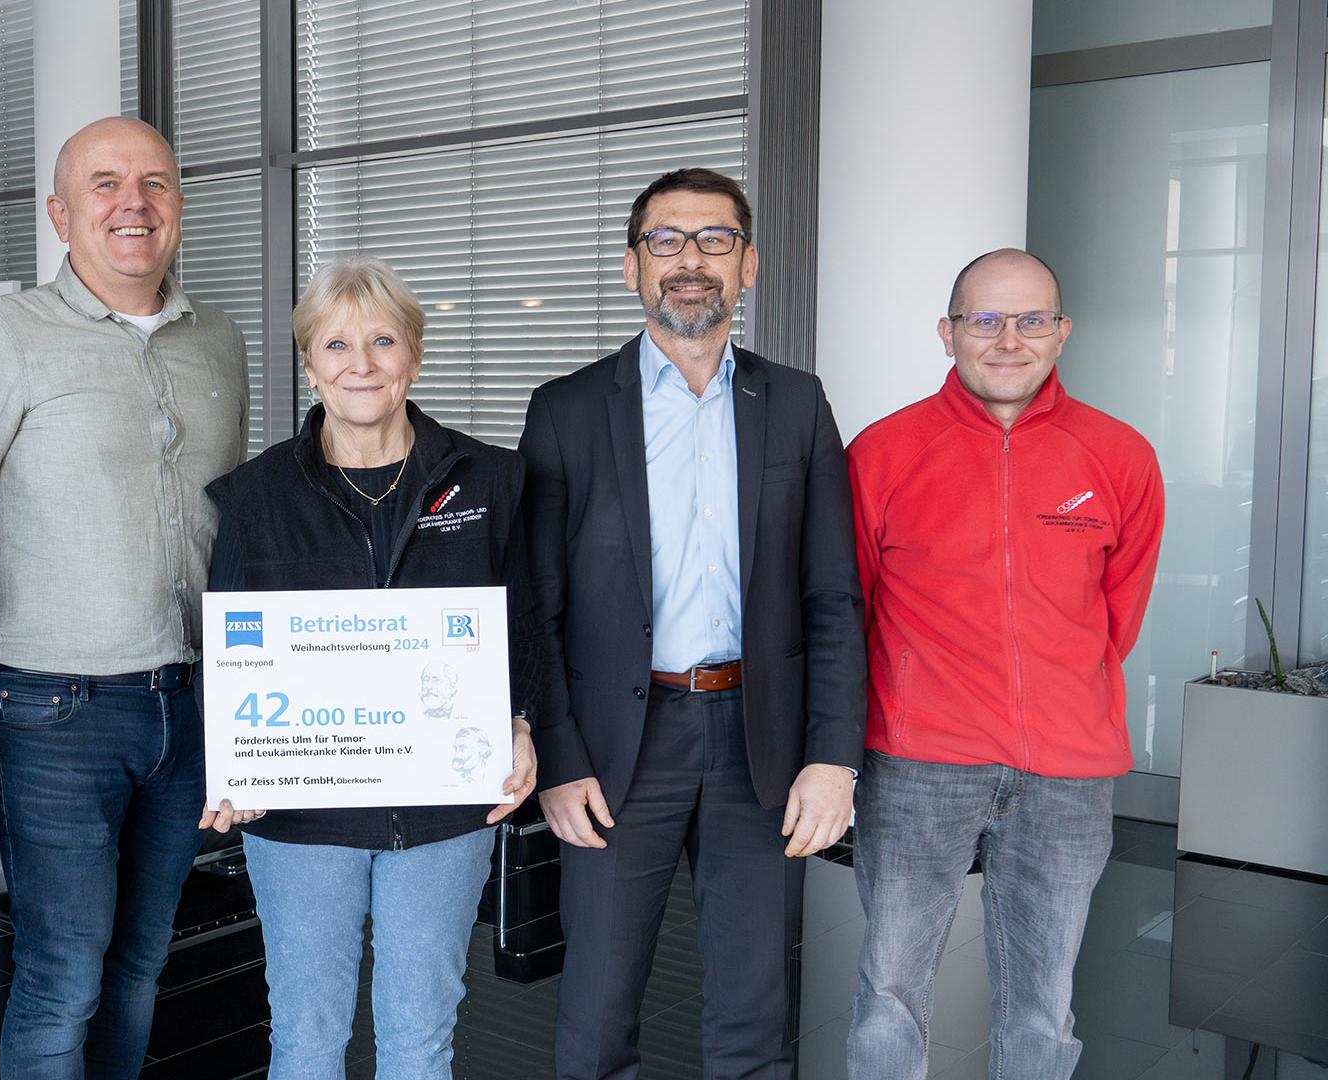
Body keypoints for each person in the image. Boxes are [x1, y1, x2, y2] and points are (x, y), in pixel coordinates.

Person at [520, 167, 866, 1079]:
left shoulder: (796, 403)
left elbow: (834, 594)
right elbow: (537, 605)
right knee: (596, 1004)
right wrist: (558, 757)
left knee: (756, 1009)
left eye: (715, 240)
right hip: (616, 744)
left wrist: (833, 756)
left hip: (762, 736)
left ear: (747, 264)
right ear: (633, 265)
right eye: (666, 240)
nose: (690, 261)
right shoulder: (564, 411)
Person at [0, 116, 248, 1079]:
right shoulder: (4, 339)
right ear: (60, 213)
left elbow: (231, 532)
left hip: (188, 705)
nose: (134, 204)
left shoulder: (221, 342)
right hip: (50, 709)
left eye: (155, 182)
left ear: (180, 207)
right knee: (64, 970)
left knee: (140, 962)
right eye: (106, 184)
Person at [200, 255, 539, 1079]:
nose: (361, 364)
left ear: (413, 357)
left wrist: (523, 723)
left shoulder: (489, 478)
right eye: (337, 344)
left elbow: (526, 620)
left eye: (383, 341)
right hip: (302, 813)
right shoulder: (254, 495)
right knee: (307, 1039)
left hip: (443, 807)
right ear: (310, 362)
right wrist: (230, 757)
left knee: (420, 1037)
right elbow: (231, 643)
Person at [844, 249, 1165, 1079]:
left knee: (1043, 1000)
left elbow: (1115, 615)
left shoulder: (1120, 455)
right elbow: (857, 608)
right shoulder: (882, 452)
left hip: (1067, 769)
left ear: (1062, 332)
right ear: (947, 334)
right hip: (917, 763)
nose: (1008, 339)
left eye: (1030, 319)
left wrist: (1060, 691)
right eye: (985, 319)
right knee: (889, 989)